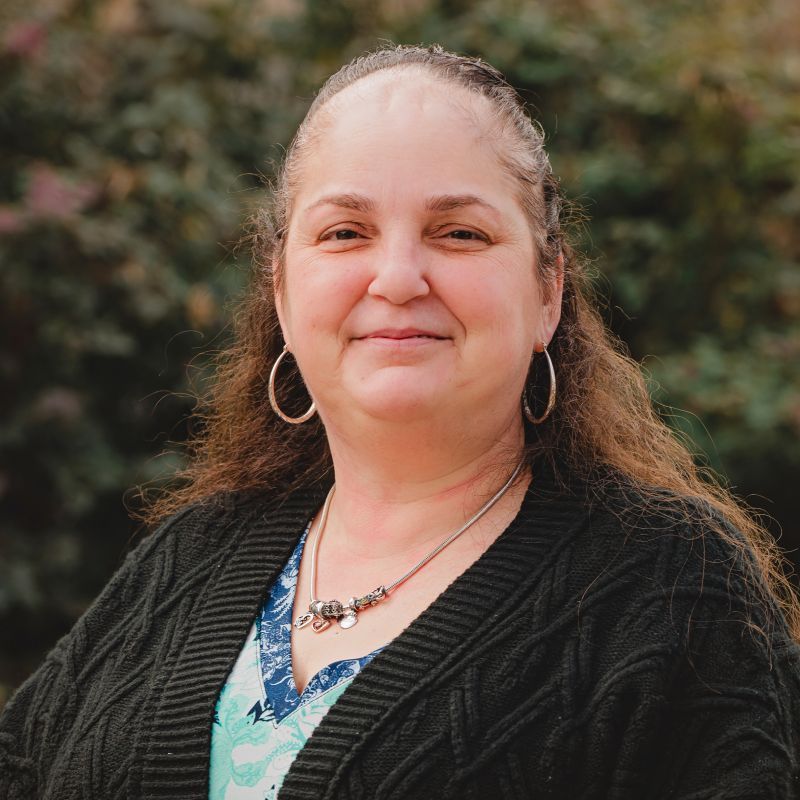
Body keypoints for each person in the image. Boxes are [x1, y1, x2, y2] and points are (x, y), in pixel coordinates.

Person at [1, 43, 799, 800]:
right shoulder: (186, 558)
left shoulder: (675, 591)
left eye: (459, 233)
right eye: (345, 232)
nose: (397, 278)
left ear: (548, 290)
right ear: (282, 291)